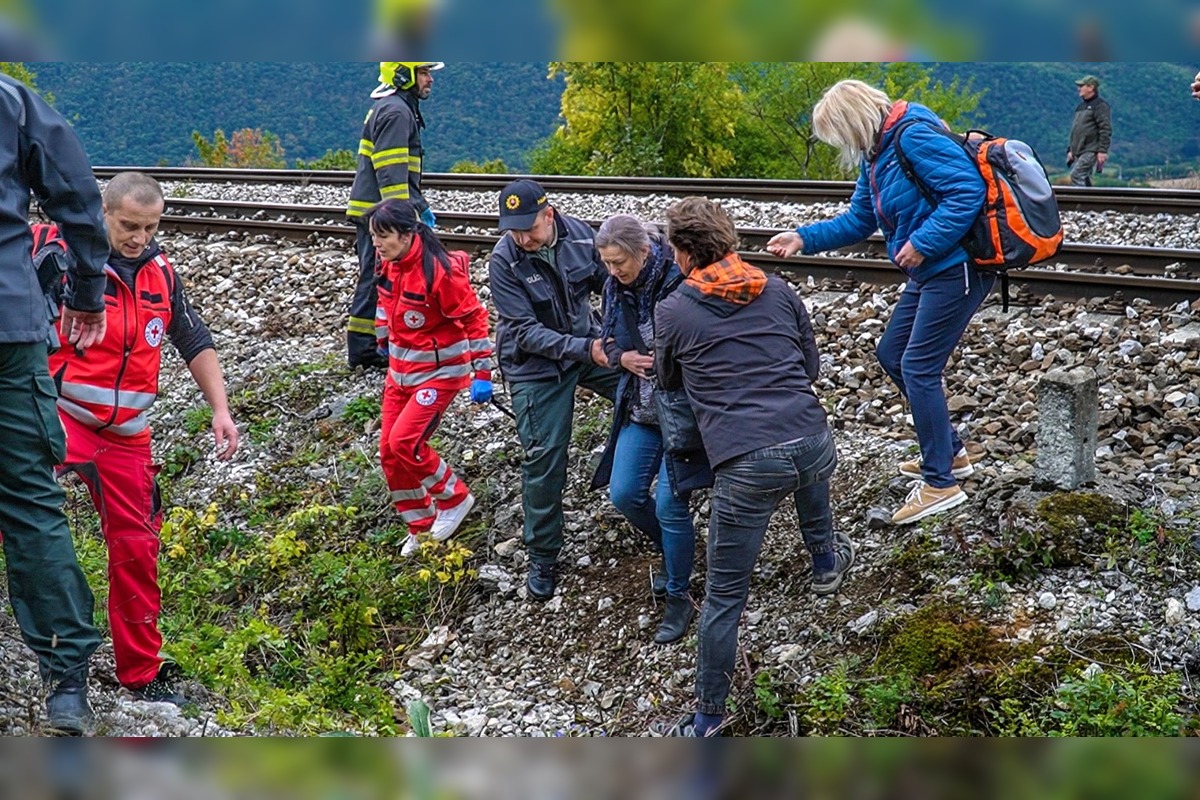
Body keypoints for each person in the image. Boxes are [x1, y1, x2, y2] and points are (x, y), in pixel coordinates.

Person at [653, 197, 854, 737]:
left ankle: (706, 720)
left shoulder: (673, 310)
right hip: (815, 441)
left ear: (686, 251)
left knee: (724, 597)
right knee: (804, 463)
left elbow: (668, 382)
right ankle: (826, 561)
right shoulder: (780, 289)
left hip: (747, 462)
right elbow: (808, 365)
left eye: (673, 247)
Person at [44, 171, 240, 709]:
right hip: (64, 418)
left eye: (150, 227)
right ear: (103, 214)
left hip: (128, 437)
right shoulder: (63, 257)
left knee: (137, 548)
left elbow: (193, 338)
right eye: (129, 225)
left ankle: (140, 673)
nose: (138, 237)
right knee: (15, 514)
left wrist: (220, 410)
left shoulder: (161, 274)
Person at [767, 79, 989, 526]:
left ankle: (939, 483)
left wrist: (923, 243)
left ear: (853, 122)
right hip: (929, 269)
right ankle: (951, 452)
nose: (841, 145)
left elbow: (967, 192)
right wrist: (802, 238)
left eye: (838, 135)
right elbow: (859, 219)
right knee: (891, 354)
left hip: (958, 266)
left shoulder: (912, 135)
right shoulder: (876, 153)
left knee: (919, 367)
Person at [0, 72, 110, 736]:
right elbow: (76, 193)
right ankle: (66, 685)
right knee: (31, 503)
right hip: (9, 326)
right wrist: (87, 288)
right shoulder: (10, 99)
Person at [488, 179, 620, 601]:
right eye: (514, 230)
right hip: (536, 366)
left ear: (550, 214)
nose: (523, 238)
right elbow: (525, 332)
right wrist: (587, 349)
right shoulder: (503, 261)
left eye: (529, 227)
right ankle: (543, 553)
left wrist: (620, 338)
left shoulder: (585, 236)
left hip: (589, 345)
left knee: (649, 389)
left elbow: (615, 285)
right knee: (544, 458)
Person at [589, 215, 698, 645]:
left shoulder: (677, 283)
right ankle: (680, 555)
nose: (613, 272)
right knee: (624, 494)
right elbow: (607, 340)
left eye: (619, 262)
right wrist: (623, 360)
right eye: (607, 264)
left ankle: (679, 593)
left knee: (672, 506)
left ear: (644, 251)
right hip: (641, 410)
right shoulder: (616, 287)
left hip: (682, 415)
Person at [367, 199, 492, 557]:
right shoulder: (387, 262)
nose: (377, 243)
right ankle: (421, 525)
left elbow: (474, 319)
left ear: (407, 234)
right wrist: (382, 335)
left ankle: (454, 499)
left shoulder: (438, 272)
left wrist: (482, 373)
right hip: (400, 373)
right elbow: (383, 300)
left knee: (406, 441)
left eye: (384, 235)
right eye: (374, 235)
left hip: (439, 373)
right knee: (389, 453)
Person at [345, 61, 444, 368]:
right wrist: (398, 221)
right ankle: (363, 349)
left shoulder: (397, 108)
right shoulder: (397, 112)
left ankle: (382, 341)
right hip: (380, 216)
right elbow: (390, 173)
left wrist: (420, 206)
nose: (430, 80)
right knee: (376, 277)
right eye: (424, 73)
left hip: (380, 212)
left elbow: (402, 174)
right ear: (403, 75)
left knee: (379, 275)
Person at [1066, 74, 1111, 187]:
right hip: (1080, 150)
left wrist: (1102, 150)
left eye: (1081, 86)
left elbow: (1105, 128)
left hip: (1091, 149)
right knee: (1085, 178)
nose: (1078, 88)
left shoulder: (1100, 106)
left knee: (1076, 175)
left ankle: (1082, 202)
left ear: (1091, 88)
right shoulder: (1081, 107)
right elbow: (1076, 130)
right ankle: (1091, 202)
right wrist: (1071, 149)